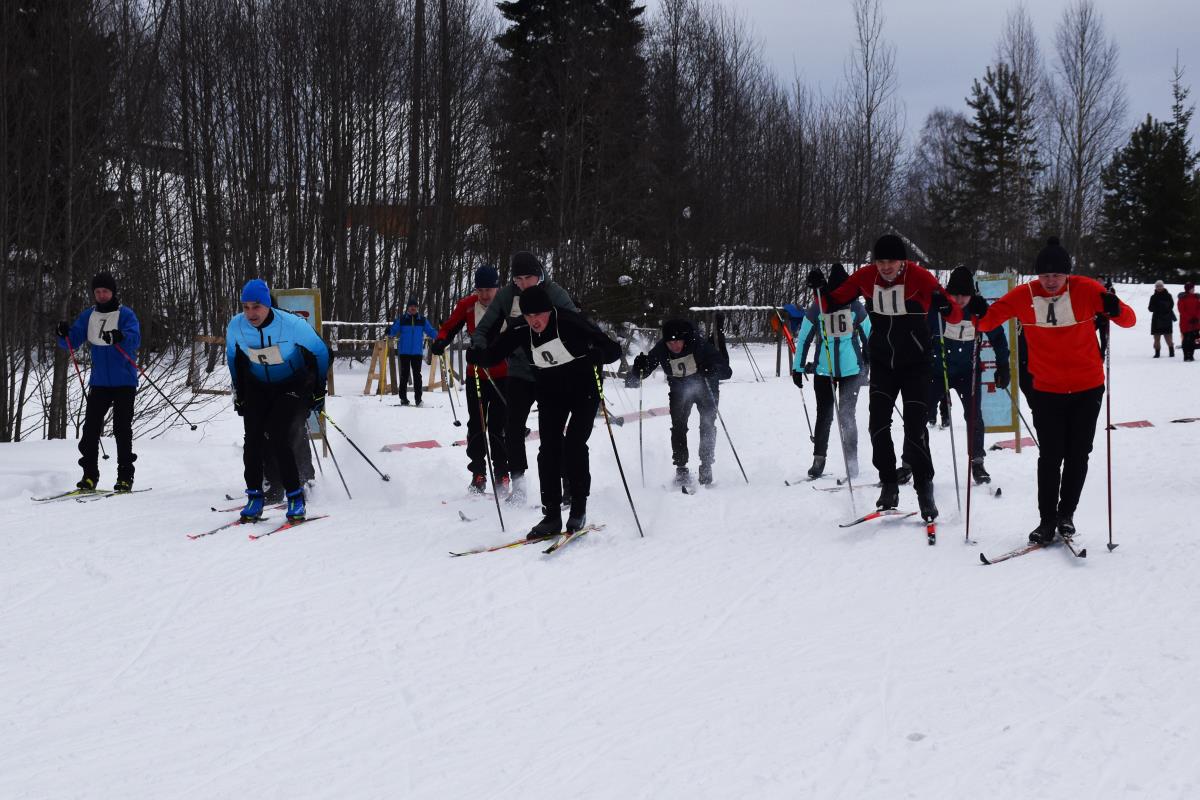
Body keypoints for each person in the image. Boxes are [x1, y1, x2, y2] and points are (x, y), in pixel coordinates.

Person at [967, 237, 1136, 544]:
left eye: (1057, 275)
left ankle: (1066, 515)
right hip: (1046, 389)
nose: (1051, 282)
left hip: (1087, 387)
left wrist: (1115, 307)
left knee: (1078, 455)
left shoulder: (1086, 289)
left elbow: (1128, 320)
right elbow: (986, 321)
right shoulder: (1024, 295)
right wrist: (977, 310)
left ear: (1067, 274)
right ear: (1037, 276)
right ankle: (1046, 520)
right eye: (1045, 276)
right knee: (1050, 456)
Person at [806, 234, 962, 521]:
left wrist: (943, 303)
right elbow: (831, 303)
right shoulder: (866, 277)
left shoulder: (919, 277)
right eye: (880, 261)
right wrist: (820, 288)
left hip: (915, 364)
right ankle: (889, 484)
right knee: (877, 425)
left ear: (902, 261)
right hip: (882, 363)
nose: (886, 267)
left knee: (915, 429)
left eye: (891, 261)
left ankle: (924, 488)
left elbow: (953, 314)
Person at [468, 285, 621, 537]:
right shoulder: (521, 328)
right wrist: (479, 356)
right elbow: (495, 353)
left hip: (585, 390)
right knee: (548, 449)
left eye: (539, 315)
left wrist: (599, 353)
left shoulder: (570, 322)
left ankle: (578, 509)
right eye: (528, 316)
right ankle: (550, 515)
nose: (534, 321)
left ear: (549, 310)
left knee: (573, 445)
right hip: (551, 392)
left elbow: (613, 350)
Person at [471, 251, 579, 505]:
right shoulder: (508, 296)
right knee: (513, 426)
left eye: (528, 277)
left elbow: (577, 323)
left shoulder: (554, 293)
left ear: (539, 274)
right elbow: (486, 327)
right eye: (518, 279)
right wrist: (478, 345)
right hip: (519, 369)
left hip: (551, 370)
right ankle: (519, 486)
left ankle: (568, 484)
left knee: (552, 428)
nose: (523, 283)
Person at [226, 279, 330, 521]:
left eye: (256, 307)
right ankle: (254, 496)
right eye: (246, 307)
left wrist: (318, 388)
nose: (251, 313)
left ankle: (295, 496)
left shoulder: (291, 324)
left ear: (267, 305)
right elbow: (233, 357)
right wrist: (239, 392)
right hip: (258, 385)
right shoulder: (236, 326)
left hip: (291, 384)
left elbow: (321, 351)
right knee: (252, 439)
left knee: (279, 434)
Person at [55, 272, 142, 492]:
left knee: (122, 429)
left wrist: (120, 336)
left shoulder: (125, 314)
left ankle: (125, 477)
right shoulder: (88, 315)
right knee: (90, 429)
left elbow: (135, 338)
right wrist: (62, 334)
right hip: (100, 383)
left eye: (105, 291)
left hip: (124, 382)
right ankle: (89, 476)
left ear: (113, 292)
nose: (101, 295)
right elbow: (71, 342)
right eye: (97, 291)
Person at [430, 265, 510, 495]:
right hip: (476, 375)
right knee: (476, 425)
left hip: (504, 374)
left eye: (489, 290)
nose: (485, 295)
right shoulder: (467, 305)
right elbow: (449, 328)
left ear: (498, 287)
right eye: (480, 290)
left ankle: (502, 473)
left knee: (498, 426)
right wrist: (441, 342)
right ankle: (478, 473)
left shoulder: (506, 303)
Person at [625, 318, 732, 487]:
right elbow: (640, 375)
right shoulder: (661, 348)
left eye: (678, 342)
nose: (674, 346)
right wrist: (639, 368)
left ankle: (706, 466)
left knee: (707, 425)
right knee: (678, 427)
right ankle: (681, 468)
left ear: (685, 339)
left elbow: (726, 371)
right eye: (670, 343)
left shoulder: (700, 345)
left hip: (706, 388)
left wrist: (712, 369)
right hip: (679, 391)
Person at [929, 266, 1010, 485]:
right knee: (920, 414)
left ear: (972, 294)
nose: (960, 299)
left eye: (964, 294)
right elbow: (921, 329)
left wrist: (1003, 365)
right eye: (955, 294)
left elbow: (998, 336)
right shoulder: (940, 308)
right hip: (939, 371)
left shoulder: (977, 309)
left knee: (974, 415)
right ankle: (912, 462)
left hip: (968, 371)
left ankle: (977, 461)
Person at [791, 264, 871, 480]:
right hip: (824, 370)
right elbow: (805, 339)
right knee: (824, 415)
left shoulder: (855, 307)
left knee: (847, 415)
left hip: (851, 371)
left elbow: (870, 335)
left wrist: (871, 358)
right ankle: (819, 459)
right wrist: (797, 368)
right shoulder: (819, 307)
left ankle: (852, 461)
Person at [388, 296, 437, 406]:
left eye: (415, 306)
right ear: (408, 308)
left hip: (417, 352)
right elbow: (393, 331)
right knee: (404, 375)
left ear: (417, 308)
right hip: (404, 351)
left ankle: (418, 399)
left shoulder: (422, 320)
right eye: (411, 306)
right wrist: (389, 331)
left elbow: (431, 331)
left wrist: (440, 336)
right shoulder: (402, 319)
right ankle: (403, 398)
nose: (413, 308)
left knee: (417, 376)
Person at [1147, 280, 1176, 358]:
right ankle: (1157, 353)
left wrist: (1164, 308)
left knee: (1168, 338)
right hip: (1156, 319)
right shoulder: (1153, 297)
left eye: (1160, 286)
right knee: (1156, 338)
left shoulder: (1168, 295)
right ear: (1155, 287)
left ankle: (1171, 351)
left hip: (1166, 318)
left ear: (1163, 286)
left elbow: (1171, 305)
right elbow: (1150, 308)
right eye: (1157, 286)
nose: (1159, 288)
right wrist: (1157, 308)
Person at [1178, 282, 1200, 362]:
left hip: (1195, 322)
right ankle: (1186, 355)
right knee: (1186, 339)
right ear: (1187, 289)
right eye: (1191, 288)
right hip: (1186, 323)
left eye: (1193, 288)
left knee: (1194, 339)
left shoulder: (1196, 298)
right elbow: (1182, 310)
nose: (1193, 290)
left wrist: (1197, 317)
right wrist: (1189, 318)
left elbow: (1199, 308)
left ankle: (1191, 355)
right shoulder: (1182, 298)